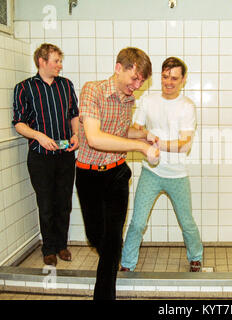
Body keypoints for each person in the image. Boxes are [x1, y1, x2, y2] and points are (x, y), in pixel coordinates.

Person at [76, 47, 159, 300]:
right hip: (89, 176)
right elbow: (95, 137)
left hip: (117, 175)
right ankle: (112, 256)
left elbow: (120, 132)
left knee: (112, 243)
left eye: (141, 82)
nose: (136, 86)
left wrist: (145, 134)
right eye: (134, 79)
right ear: (118, 68)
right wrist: (141, 146)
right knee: (95, 237)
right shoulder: (93, 90)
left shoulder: (127, 99)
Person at [120, 57, 203, 273]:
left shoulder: (187, 107)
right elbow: (136, 129)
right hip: (151, 172)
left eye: (174, 78)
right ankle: (127, 264)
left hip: (177, 175)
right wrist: (144, 140)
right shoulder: (148, 101)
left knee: (186, 222)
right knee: (138, 222)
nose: (169, 82)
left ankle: (196, 257)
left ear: (183, 80)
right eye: (165, 76)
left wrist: (156, 142)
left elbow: (185, 145)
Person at [12, 43, 79, 267]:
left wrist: (76, 135)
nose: (60, 65)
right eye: (56, 61)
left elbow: (74, 115)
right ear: (42, 61)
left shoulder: (66, 86)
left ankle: (61, 245)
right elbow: (19, 124)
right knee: (46, 203)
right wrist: (38, 136)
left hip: (65, 155)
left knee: (64, 202)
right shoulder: (24, 88)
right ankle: (48, 248)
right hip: (40, 157)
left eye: (60, 61)